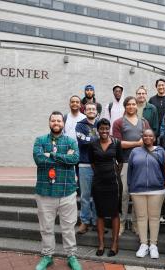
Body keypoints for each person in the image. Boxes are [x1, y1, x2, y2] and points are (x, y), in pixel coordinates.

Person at [32, 111, 81, 270]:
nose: (56, 123)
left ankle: (71, 256)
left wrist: (51, 154)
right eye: (53, 120)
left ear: (63, 123)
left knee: (68, 228)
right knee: (46, 228)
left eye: (59, 120)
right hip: (45, 192)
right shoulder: (39, 140)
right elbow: (39, 160)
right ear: (49, 123)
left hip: (67, 192)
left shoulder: (71, 141)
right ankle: (47, 256)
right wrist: (63, 157)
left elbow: (74, 159)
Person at [112, 96, 150, 236]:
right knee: (124, 194)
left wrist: (144, 144)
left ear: (136, 106)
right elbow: (117, 143)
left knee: (137, 195)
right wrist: (137, 144)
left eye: (133, 104)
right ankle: (121, 223)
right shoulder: (118, 122)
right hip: (125, 161)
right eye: (128, 104)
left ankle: (135, 224)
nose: (131, 106)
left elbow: (149, 139)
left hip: (141, 162)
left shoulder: (144, 122)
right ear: (125, 106)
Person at [127, 129, 165, 259]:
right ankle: (143, 244)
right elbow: (130, 171)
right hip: (138, 190)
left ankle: (153, 245)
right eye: (145, 135)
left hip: (157, 189)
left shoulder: (160, 151)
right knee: (141, 218)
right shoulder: (135, 151)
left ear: (154, 138)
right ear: (142, 137)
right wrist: (130, 186)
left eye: (150, 135)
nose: (147, 137)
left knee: (154, 218)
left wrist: (164, 183)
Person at [89, 118, 123, 257]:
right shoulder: (93, 144)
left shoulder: (116, 143)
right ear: (98, 130)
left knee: (114, 213)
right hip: (98, 182)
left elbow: (120, 161)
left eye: (106, 128)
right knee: (100, 213)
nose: (104, 131)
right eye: (101, 128)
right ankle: (101, 244)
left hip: (113, 183)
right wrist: (101, 172)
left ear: (109, 129)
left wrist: (112, 172)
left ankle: (115, 243)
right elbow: (92, 162)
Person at [75, 103, 99, 234]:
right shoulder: (80, 125)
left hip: (99, 165)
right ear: (85, 111)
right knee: (85, 195)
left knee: (97, 195)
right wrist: (97, 138)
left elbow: (106, 138)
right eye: (88, 109)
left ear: (96, 111)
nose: (91, 111)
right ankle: (85, 221)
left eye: (93, 109)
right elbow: (83, 141)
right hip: (85, 164)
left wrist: (93, 138)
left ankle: (96, 221)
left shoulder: (100, 124)